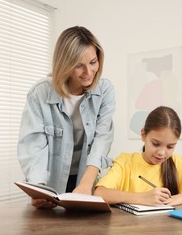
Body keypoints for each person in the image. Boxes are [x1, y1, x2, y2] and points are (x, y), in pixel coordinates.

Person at [18, 26, 115, 208]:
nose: (88, 72)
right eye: (79, 65)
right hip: (51, 182)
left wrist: (86, 185)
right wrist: (39, 188)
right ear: (65, 64)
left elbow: (102, 140)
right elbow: (33, 146)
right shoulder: (40, 93)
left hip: (86, 178)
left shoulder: (105, 91)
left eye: (93, 62)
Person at [94, 106, 182, 206]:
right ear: (143, 135)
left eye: (170, 147)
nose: (162, 152)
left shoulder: (178, 164)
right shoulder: (126, 161)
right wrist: (143, 198)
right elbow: (100, 193)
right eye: (155, 144)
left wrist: (181, 198)